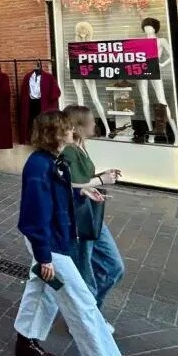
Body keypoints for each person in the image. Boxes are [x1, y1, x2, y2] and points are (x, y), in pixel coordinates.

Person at [14, 111, 136, 356]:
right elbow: (35, 216)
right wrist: (44, 257)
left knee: (42, 289)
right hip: (50, 246)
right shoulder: (38, 166)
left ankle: (25, 339)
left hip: (58, 241)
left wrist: (84, 193)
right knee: (81, 304)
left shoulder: (53, 162)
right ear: (55, 134)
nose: (71, 134)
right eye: (67, 130)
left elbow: (60, 196)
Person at [63, 105, 125, 312]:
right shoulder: (70, 151)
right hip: (79, 218)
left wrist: (102, 175)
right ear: (79, 126)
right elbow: (66, 185)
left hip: (91, 214)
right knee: (86, 272)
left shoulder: (81, 147)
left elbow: (83, 178)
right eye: (91, 121)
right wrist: (100, 180)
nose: (95, 124)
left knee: (113, 266)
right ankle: (87, 317)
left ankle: (90, 311)